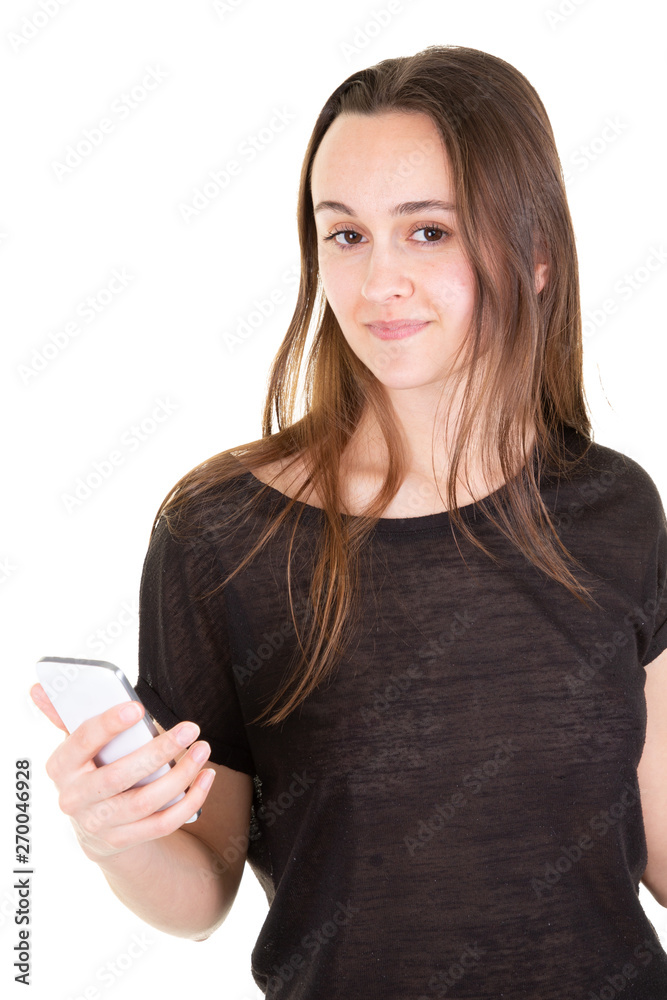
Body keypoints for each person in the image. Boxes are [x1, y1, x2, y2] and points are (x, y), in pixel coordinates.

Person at [31, 44, 667, 997]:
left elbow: (655, 842)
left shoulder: (612, 505)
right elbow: (200, 888)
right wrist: (111, 835)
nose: (377, 285)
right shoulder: (222, 536)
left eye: (427, 233)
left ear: (534, 254)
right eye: (345, 235)